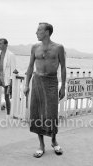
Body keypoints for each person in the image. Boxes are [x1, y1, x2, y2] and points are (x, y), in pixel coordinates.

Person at [24, 23, 66, 158]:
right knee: (37, 113)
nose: (36, 32)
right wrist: (26, 84)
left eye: (39, 30)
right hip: (37, 82)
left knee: (52, 114)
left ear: (47, 32)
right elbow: (30, 66)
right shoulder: (34, 47)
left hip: (51, 82)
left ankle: (53, 141)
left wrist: (63, 86)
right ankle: (41, 145)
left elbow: (64, 68)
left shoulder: (58, 48)